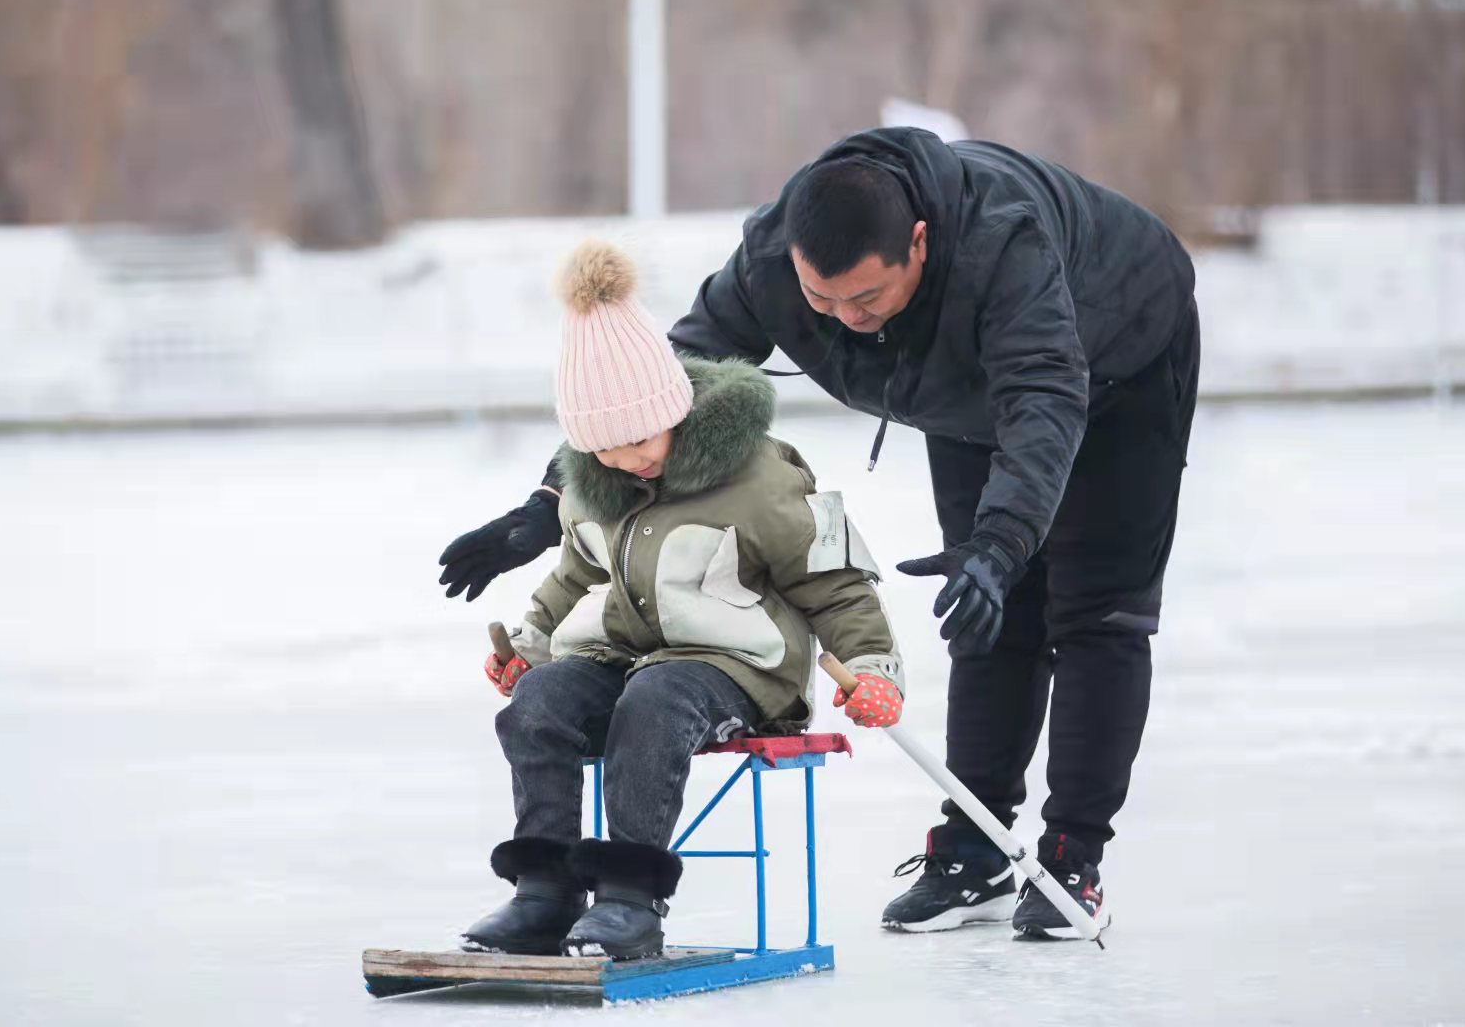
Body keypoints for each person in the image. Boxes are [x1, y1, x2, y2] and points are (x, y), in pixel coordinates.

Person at [442, 128, 1200, 940]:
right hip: (967, 389)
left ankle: (1068, 859)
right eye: (822, 301)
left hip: (1121, 365)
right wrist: (549, 501)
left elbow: (1046, 394)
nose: (848, 321)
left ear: (919, 243)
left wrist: (1003, 541)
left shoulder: (1001, 246)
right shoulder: (772, 257)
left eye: (867, 301)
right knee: (987, 611)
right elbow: (655, 389)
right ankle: (974, 849)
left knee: (1093, 612)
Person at [462, 239, 905, 960]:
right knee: (538, 703)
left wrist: (875, 668)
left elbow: (834, 582)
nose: (628, 458)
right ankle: (543, 893)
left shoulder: (758, 478)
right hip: (630, 654)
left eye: (641, 437)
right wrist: (532, 648)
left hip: (739, 666)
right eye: (605, 449)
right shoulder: (592, 487)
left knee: (656, 701)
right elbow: (576, 573)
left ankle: (632, 902)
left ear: (673, 407)